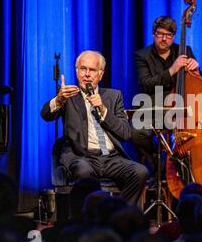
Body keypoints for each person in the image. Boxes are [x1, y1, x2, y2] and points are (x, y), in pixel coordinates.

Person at [41, 50, 149, 206]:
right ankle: (89, 220)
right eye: (82, 69)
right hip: (82, 157)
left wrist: (103, 110)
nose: (87, 74)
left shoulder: (113, 96)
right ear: (76, 72)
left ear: (100, 74)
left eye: (92, 70)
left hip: (111, 158)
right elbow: (46, 115)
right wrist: (58, 100)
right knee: (83, 171)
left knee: (140, 172)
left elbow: (125, 134)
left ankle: (121, 216)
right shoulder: (67, 96)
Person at [131, 16, 201, 172]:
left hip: (184, 111)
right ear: (153, 33)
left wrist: (196, 70)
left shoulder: (184, 50)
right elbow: (146, 84)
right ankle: (162, 164)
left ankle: (195, 171)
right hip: (156, 110)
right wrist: (172, 70)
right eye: (160, 34)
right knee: (136, 133)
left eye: (168, 35)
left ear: (174, 36)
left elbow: (199, 82)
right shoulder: (142, 56)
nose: (164, 38)